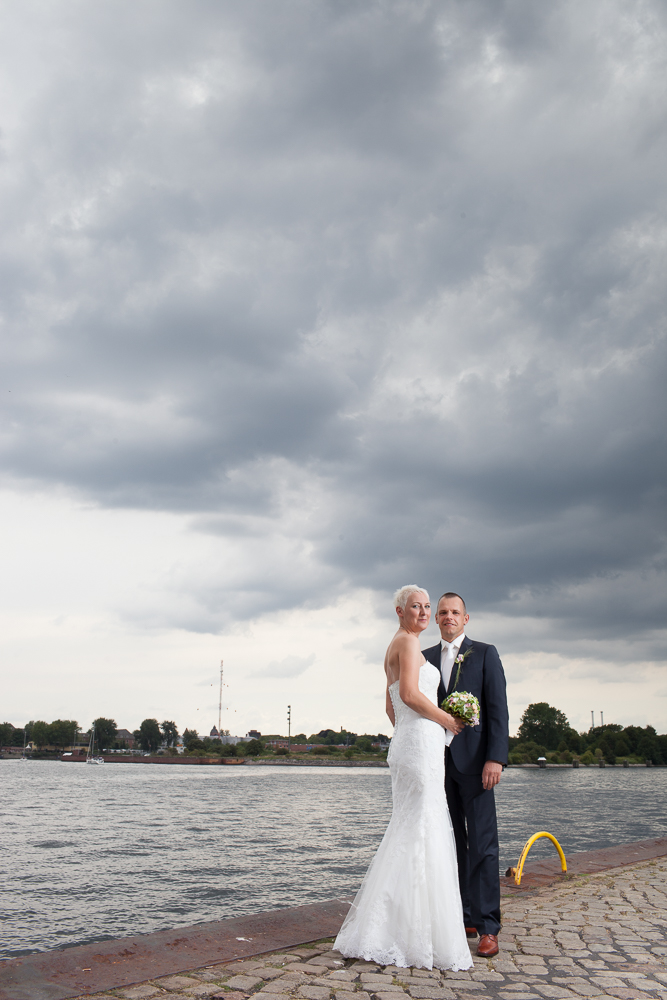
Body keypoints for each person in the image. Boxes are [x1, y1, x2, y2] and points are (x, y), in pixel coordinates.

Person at [334, 586, 473, 971]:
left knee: (411, 828)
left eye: (429, 607)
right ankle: (414, 934)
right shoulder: (409, 644)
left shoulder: (394, 645)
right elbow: (409, 694)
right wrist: (445, 720)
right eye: (418, 606)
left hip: (410, 744)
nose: (425, 612)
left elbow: (389, 704)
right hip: (421, 748)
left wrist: (412, 731)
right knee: (424, 828)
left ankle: (394, 926)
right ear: (400, 611)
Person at [423, 592, 509, 958]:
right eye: (441, 612)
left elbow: (497, 711)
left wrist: (496, 759)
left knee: (484, 845)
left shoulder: (485, 653)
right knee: (451, 843)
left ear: (466, 618)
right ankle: (465, 916)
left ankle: (489, 927)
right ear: (435, 618)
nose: (447, 617)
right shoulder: (423, 658)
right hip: (436, 764)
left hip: (476, 765)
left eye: (454, 612)